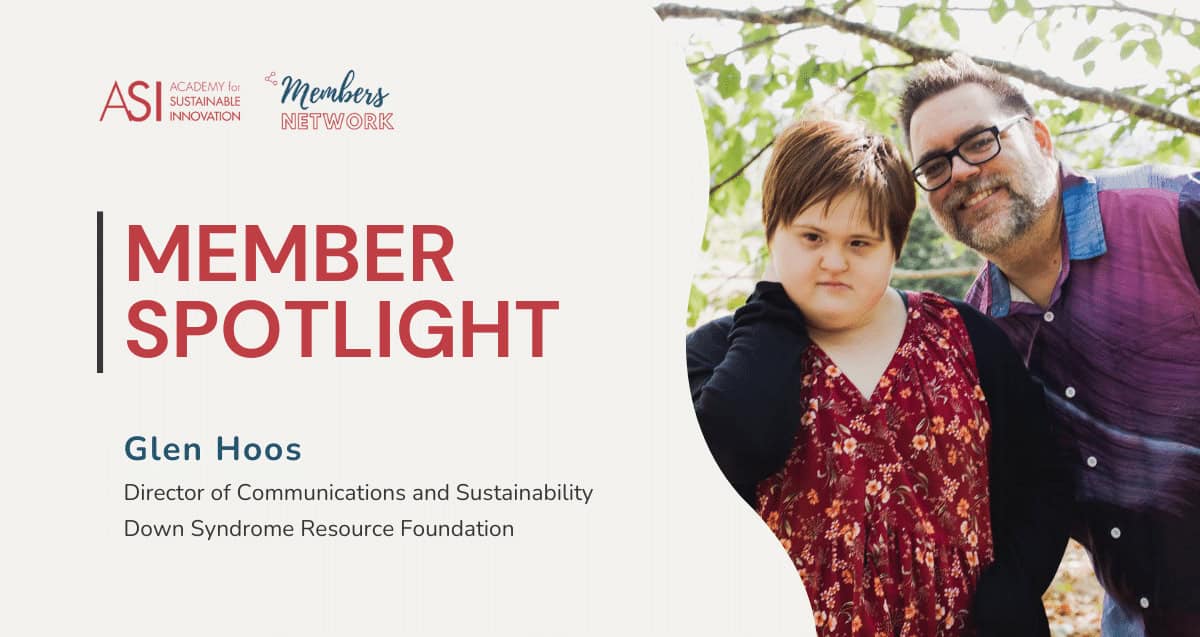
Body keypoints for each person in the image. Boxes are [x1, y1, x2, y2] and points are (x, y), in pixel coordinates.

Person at [687, 117, 1070, 636]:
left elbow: (1040, 478)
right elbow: (740, 446)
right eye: (811, 236)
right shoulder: (716, 354)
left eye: (861, 243)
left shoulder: (964, 338)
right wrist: (771, 314)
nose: (833, 261)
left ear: (895, 246)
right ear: (771, 230)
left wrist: (1012, 588)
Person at [899, 53, 1200, 637]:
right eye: (934, 165)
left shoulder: (1174, 213)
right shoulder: (978, 336)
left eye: (980, 141)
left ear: (1039, 137)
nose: (959, 171)